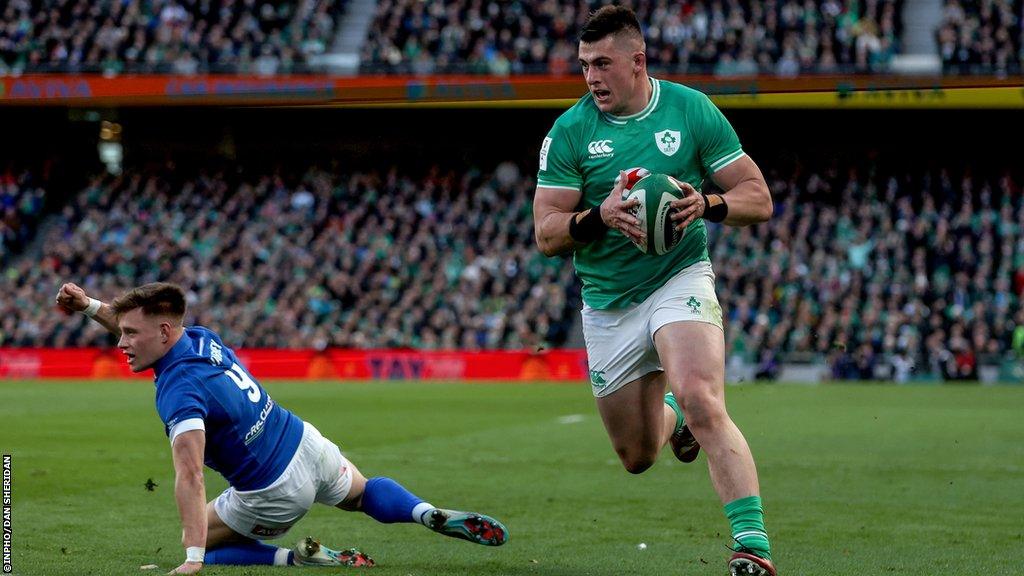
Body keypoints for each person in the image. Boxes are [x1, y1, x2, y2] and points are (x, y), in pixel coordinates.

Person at [532, 6, 775, 576]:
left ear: (637, 62)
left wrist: (708, 204)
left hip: (679, 277)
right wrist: (600, 216)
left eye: (602, 64)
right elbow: (546, 233)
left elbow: (757, 197)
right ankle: (674, 411)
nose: (591, 77)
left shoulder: (690, 110)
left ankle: (752, 548)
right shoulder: (569, 131)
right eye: (585, 66)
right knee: (637, 456)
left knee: (703, 397)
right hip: (608, 304)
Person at [55, 281, 507, 575]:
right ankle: (423, 512)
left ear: (164, 331)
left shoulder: (178, 390)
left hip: (272, 490)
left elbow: (190, 474)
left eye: (130, 334)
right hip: (304, 440)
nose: (121, 342)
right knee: (363, 493)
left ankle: (296, 556)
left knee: (201, 538)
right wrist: (90, 306)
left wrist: (192, 559)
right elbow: (143, 323)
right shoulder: (198, 336)